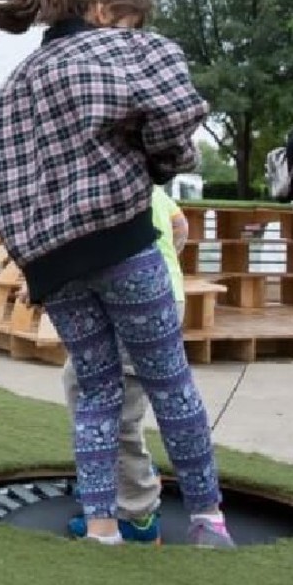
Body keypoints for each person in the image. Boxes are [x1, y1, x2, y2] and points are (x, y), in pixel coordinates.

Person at [0, 0, 233, 547]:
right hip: (122, 243)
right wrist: (165, 164)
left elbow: (5, 169)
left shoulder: (16, 82)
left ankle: (102, 527)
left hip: (52, 261)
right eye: (130, 19)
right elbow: (173, 121)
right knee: (168, 381)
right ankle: (207, 520)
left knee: (95, 390)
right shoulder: (126, 51)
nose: (136, 32)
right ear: (100, 10)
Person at [64, 185, 189, 544]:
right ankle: (111, 480)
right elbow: (181, 227)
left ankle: (137, 514)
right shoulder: (145, 186)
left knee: (116, 408)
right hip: (145, 294)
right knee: (77, 381)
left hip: (142, 302)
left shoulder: (104, 187)